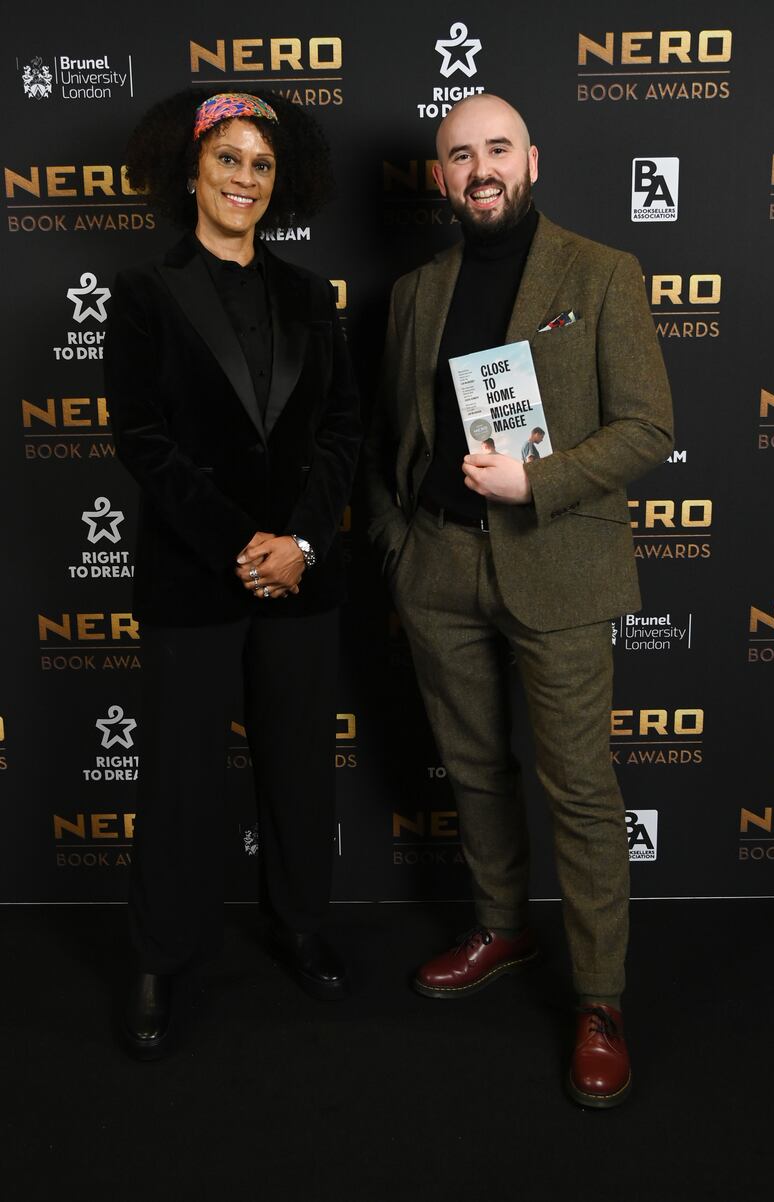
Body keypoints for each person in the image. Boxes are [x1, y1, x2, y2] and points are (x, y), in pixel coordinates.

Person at [364, 94, 672, 1108]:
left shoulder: (599, 272)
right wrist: (400, 544)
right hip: (440, 569)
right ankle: (501, 923)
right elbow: (384, 438)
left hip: (556, 564)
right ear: (441, 176)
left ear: (529, 159)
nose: (478, 167)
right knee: (471, 766)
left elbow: (642, 429)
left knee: (578, 787)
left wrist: (533, 484)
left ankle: (598, 997)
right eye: (459, 154)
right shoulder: (416, 288)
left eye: (496, 148)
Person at [105, 89, 360, 1059]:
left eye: (260, 164)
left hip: (300, 574)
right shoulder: (143, 294)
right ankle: (159, 954)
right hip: (190, 574)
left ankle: (300, 920)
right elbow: (143, 440)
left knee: (297, 763)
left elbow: (340, 430)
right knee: (177, 779)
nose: (244, 178)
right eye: (227, 160)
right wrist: (235, 545)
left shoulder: (308, 295)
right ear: (190, 169)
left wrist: (297, 542)